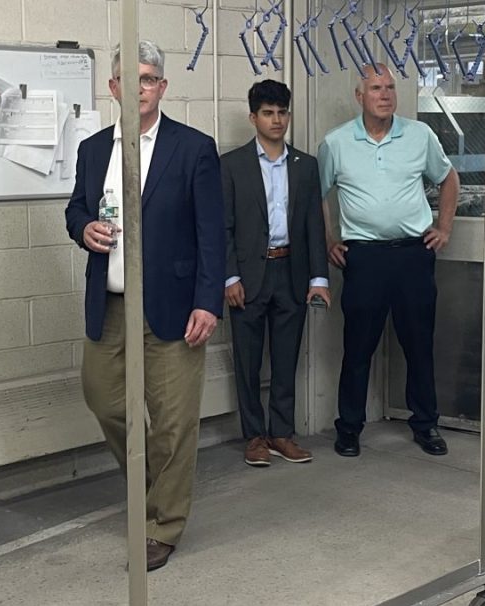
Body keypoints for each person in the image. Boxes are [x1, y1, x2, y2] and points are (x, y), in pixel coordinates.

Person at [65, 40, 225, 571]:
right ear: (113, 88)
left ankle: (164, 523)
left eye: (150, 78)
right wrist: (82, 226)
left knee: (175, 421)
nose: (140, 88)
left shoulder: (193, 148)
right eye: (129, 80)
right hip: (109, 305)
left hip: (175, 306)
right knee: (104, 400)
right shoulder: (92, 150)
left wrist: (208, 301)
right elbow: (76, 209)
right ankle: (155, 485)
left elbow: (212, 233)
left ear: (162, 87)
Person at [318, 62, 460, 458]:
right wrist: (328, 239)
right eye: (376, 88)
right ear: (359, 96)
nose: (385, 95)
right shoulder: (336, 143)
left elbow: (448, 178)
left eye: (390, 88)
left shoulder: (419, 136)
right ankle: (348, 428)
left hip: (414, 256)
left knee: (419, 345)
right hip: (363, 259)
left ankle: (426, 424)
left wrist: (443, 227)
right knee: (358, 347)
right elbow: (315, 194)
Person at [220, 80, 331, 467]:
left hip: (291, 272)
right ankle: (254, 436)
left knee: (286, 359)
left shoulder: (305, 166)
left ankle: (281, 433)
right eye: (268, 113)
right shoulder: (231, 166)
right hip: (250, 275)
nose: (277, 120)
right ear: (254, 118)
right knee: (247, 361)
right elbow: (224, 227)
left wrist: (319, 278)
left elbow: (314, 226)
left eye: (282, 112)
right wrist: (229, 277)